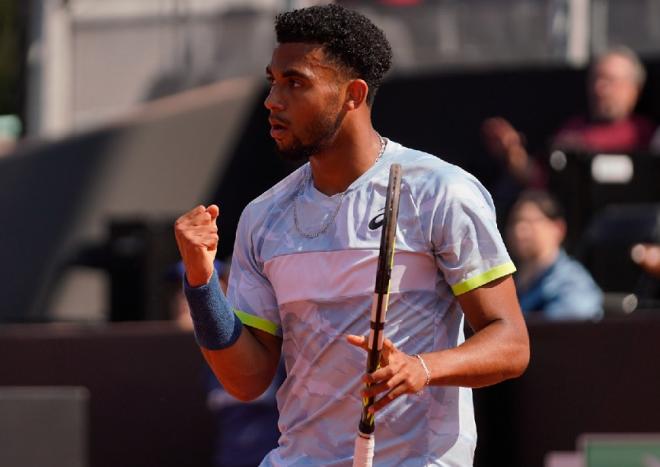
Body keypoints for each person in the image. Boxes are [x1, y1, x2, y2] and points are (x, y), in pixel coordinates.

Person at [174, 4, 529, 465]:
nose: (272, 100)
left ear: (352, 94)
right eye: (272, 81)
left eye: (295, 82)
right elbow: (246, 381)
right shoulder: (263, 216)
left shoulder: (441, 191)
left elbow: (511, 343)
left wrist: (421, 368)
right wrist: (202, 285)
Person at [481, 46, 657, 219]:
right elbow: (542, 181)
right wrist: (514, 155)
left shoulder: (645, 135)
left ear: (634, 89)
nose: (599, 89)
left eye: (609, 81)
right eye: (595, 80)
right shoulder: (572, 128)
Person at [506, 190, 603, 320]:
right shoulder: (507, 283)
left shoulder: (573, 282)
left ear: (558, 228)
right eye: (514, 222)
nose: (520, 230)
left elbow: (569, 330)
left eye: (530, 221)